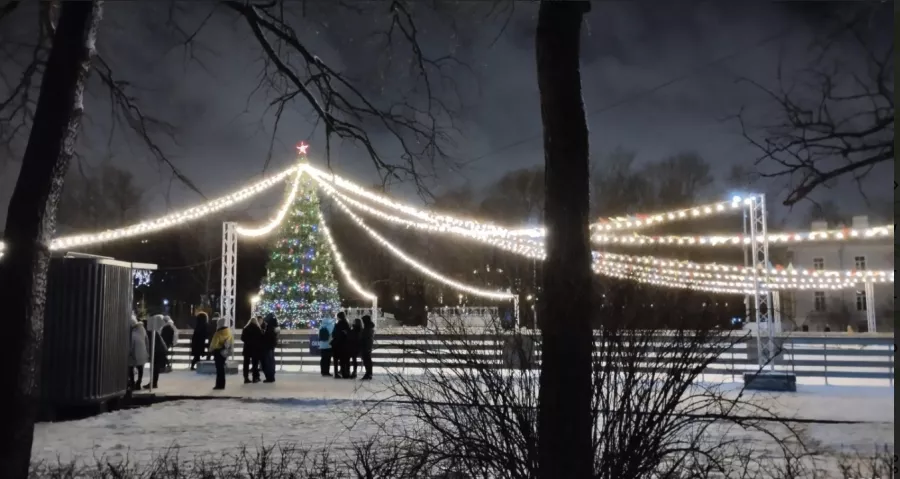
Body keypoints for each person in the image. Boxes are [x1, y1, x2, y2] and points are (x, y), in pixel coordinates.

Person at [144, 315, 169, 389]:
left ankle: (153, 383)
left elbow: (151, 344)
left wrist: (150, 353)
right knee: (155, 368)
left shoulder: (150, 333)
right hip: (160, 351)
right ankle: (153, 383)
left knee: (155, 368)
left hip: (158, 352)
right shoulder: (153, 332)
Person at [209, 316, 234, 390]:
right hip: (224, 352)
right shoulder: (229, 332)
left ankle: (218, 385)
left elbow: (214, 344)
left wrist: (210, 349)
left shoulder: (218, 333)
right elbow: (231, 342)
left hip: (218, 352)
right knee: (222, 368)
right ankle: (222, 384)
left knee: (219, 369)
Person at [128, 316, 149, 390]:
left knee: (130, 368)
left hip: (134, 354)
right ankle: (138, 383)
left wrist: (129, 352)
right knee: (140, 369)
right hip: (143, 352)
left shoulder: (132, 333)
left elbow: (131, 345)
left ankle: (132, 383)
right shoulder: (142, 329)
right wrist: (147, 351)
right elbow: (147, 340)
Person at [240, 316, 263, 383]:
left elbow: (242, 338)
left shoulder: (245, 328)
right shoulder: (257, 329)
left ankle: (246, 378)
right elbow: (260, 338)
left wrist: (248, 341)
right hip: (255, 349)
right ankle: (255, 378)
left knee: (246, 364)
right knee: (255, 364)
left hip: (247, 348)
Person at [261, 313, 280, 383]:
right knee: (271, 362)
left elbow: (267, 338)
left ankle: (269, 377)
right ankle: (271, 376)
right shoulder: (274, 328)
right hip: (271, 347)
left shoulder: (269, 329)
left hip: (267, 347)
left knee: (268, 362)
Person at [331, 313, 351, 379]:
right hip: (344, 345)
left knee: (336, 360)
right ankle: (344, 373)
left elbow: (333, 334)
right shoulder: (347, 324)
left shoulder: (337, 325)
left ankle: (336, 373)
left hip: (336, 344)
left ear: (339, 317)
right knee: (343, 360)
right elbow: (349, 334)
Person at [360, 315, 375, 380]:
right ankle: (369, 373)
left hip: (366, 346)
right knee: (368, 360)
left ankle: (368, 373)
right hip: (367, 346)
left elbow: (366, 338)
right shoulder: (369, 327)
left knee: (367, 360)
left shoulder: (367, 328)